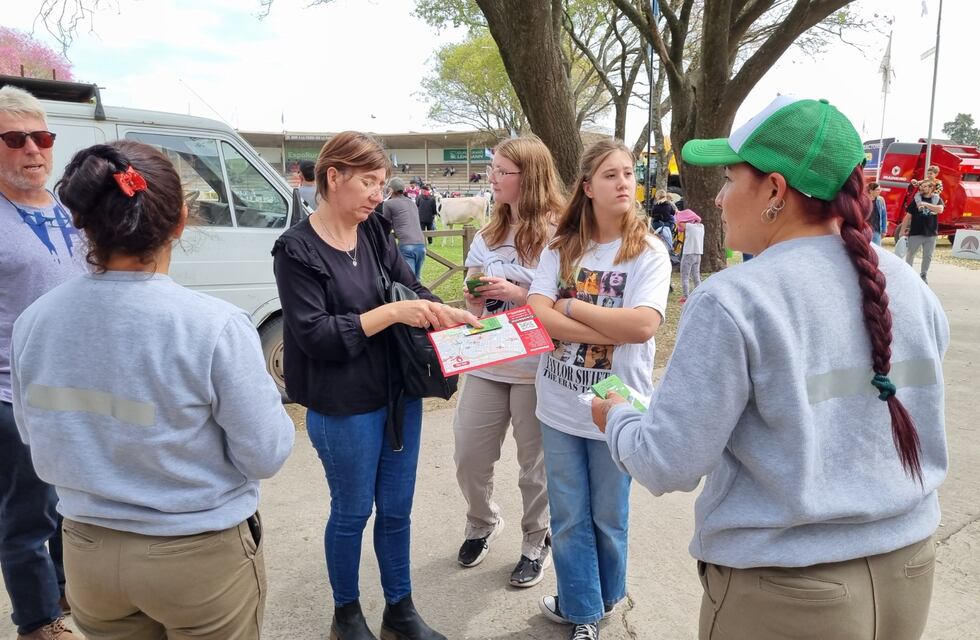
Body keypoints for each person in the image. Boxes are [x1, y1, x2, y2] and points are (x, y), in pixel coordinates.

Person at [592, 96, 949, 640]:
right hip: (909, 570)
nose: (719, 197)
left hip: (786, 593)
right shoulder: (907, 285)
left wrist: (615, 415)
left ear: (775, 191)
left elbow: (667, 462)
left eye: (730, 178)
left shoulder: (734, 299)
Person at [11, 139, 295, 639]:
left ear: (82, 222)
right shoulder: (213, 325)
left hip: (88, 553)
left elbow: (33, 433)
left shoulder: (34, 321)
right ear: (180, 220)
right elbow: (265, 453)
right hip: (197, 554)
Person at [272, 131, 479, 640]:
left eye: (382, 184)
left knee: (397, 510)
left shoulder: (373, 231)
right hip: (343, 405)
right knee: (351, 513)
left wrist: (445, 312)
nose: (376, 195)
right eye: (368, 182)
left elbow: (411, 287)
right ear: (333, 177)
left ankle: (399, 611)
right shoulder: (296, 250)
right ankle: (347, 617)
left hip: (397, 394)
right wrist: (391, 314)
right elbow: (316, 335)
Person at [528, 139, 671, 640]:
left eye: (629, 173)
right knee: (569, 515)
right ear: (587, 187)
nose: (624, 182)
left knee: (610, 516)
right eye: (611, 175)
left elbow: (642, 326)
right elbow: (535, 314)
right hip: (559, 403)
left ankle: (605, 597)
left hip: (616, 405)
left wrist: (569, 308)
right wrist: (606, 327)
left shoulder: (649, 252)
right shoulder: (561, 248)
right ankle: (583, 610)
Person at [453, 135, 565, 588]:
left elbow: (567, 299)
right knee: (469, 454)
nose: (492, 178)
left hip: (536, 364)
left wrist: (518, 293)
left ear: (530, 176)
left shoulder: (562, 232)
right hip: (488, 357)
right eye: (492, 169)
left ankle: (537, 539)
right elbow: (473, 296)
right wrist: (474, 297)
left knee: (534, 466)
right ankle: (482, 521)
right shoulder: (487, 234)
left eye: (502, 171)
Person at [0, 85, 87, 640]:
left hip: (75, 388)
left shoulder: (68, 208)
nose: (33, 149)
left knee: (68, 501)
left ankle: (61, 589)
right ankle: (36, 622)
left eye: (43, 137)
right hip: (12, 392)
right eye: (15, 139)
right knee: (28, 513)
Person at [382, 176, 427, 279]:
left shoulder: (388, 204)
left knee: (408, 280)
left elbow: (386, 224)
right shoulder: (412, 203)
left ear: (391, 190)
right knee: (416, 279)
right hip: (421, 244)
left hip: (407, 244)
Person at [901, 179, 944, 284]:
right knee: (910, 254)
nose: (922, 188)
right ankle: (909, 274)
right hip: (916, 232)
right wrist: (902, 231)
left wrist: (925, 204)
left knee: (928, 256)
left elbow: (940, 209)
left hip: (931, 233)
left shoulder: (937, 199)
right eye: (921, 186)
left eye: (925, 186)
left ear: (931, 188)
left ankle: (923, 275)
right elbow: (908, 216)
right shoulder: (916, 201)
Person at [679, 216, 704, 303]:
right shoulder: (702, 227)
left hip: (688, 254)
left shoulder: (689, 226)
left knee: (685, 276)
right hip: (698, 254)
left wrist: (680, 215)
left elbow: (680, 223)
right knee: (696, 276)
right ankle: (699, 294)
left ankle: (686, 296)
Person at [867, 181, 887, 245]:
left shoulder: (881, 200)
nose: (879, 191)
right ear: (871, 191)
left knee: (876, 249)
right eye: (877, 190)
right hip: (865, 230)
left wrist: (884, 230)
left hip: (876, 231)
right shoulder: (864, 200)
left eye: (880, 189)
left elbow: (884, 215)